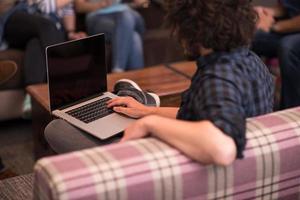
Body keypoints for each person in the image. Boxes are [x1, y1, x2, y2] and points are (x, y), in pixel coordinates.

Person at [45, 0, 274, 166]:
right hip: (205, 156)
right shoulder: (251, 62)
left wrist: (150, 124)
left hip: (166, 165)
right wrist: (147, 111)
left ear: (191, 29)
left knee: (57, 129)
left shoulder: (217, 79)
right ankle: (142, 99)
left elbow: (222, 148)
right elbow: (202, 114)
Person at [0, 0, 86, 117]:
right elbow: (45, 6)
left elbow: (67, 11)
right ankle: (63, 85)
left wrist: (70, 32)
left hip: (47, 31)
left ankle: (31, 98)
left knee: (35, 43)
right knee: (48, 26)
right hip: (19, 19)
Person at [74, 0, 148, 72]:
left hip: (128, 15)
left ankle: (118, 70)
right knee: (134, 37)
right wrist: (102, 4)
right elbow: (79, 7)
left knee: (126, 16)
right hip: (98, 16)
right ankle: (135, 80)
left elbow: (143, 3)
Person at [252, 0, 300, 109]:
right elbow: (289, 8)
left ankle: (291, 109)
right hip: (288, 26)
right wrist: (266, 12)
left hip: (288, 32)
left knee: (288, 48)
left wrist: (275, 26)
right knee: (250, 37)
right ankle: (256, 105)